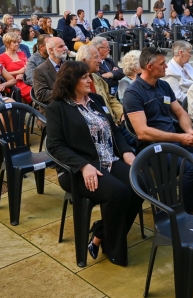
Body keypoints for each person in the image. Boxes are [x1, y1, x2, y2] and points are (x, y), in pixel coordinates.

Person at [45, 61, 140, 266]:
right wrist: (83, 165)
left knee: (140, 184)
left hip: (108, 159)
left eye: (89, 76)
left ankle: (99, 233)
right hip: (78, 170)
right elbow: (55, 146)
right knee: (119, 193)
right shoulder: (57, 108)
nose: (90, 80)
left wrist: (126, 152)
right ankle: (114, 251)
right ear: (71, 81)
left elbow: (114, 130)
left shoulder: (96, 100)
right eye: (85, 77)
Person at [123, 47, 193, 214]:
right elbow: (142, 132)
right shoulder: (133, 93)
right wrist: (180, 137)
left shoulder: (163, 85)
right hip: (153, 148)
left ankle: (190, 200)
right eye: (162, 64)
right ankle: (186, 211)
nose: (166, 66)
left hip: (175, 140)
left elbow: (180, 112)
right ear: (149, 67)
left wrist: (189, 131)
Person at [76, 45, 124, 125]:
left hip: (110, 122)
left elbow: (109, 98)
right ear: (84, 61)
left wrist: (122, 113)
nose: (100, 61)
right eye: (96, 57)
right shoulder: (74, 82)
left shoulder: (96, 78)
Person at [0, 32, 31, 102]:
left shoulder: (21, 53)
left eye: (18, 42)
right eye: (14, 42)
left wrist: (22, 74)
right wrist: (18, 72)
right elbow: (1, 74)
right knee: (32, 90)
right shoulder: (1, 57)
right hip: (13, 83)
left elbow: (28, 66)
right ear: (7, 43)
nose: (17, 44)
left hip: (26, 78)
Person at [33, 37, 68, 104]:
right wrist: (65, 92)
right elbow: (41, 95)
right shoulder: (40, 70)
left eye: (64, 45)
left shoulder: (69, 65)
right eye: (61, 47)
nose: (65, 48)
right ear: (51, 50)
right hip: (55, 105)